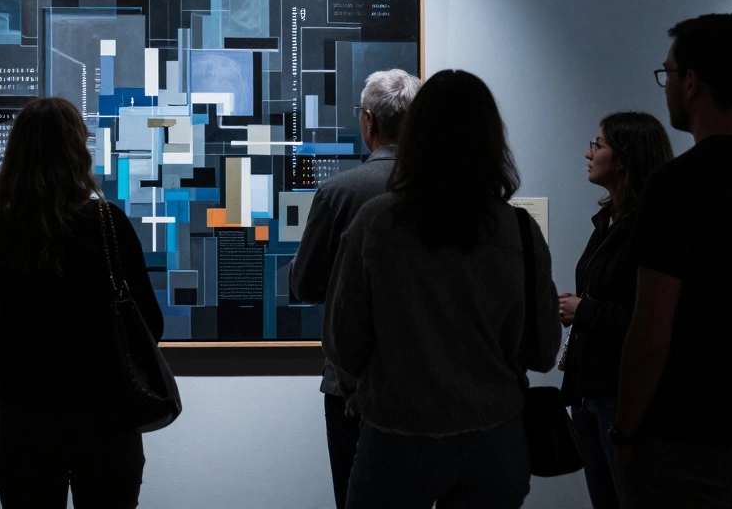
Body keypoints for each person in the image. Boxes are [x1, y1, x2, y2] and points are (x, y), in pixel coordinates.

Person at [323, 69, 560, 509]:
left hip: (396, 434)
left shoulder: (376, 223)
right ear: (492, 140)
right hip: (495, 438)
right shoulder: (520, 230)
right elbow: (544, 351)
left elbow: (343, 343)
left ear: (415, 134)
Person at [614, 14, 732, 508]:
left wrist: (624, 432)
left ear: (691, 83)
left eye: (667, 73)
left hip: (688, 438)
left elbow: (651, 334)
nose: (666, 86)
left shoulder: (676, 185)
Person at [0, 96, 164, 509]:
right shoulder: (109, 223)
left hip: (25, 416)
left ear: (15, 155)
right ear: (77, 151)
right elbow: (151, 324)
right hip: (106, 415)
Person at [288, 68, 420, 509]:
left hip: (353, 384)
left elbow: (306, 284)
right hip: (427, 381)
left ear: (369, 120)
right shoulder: (447, 195)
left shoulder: (339, 192)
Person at [558, 112, 672, 509]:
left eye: (598, 145)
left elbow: (651, 321)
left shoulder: (649, 227)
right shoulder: (607, 220)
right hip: (589, 395)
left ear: (623, 159)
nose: (589, 153)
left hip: (622, 398)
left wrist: (584, 311)